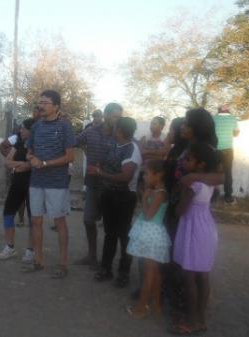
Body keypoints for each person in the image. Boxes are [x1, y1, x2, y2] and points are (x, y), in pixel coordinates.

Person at [168, 142, 220, 335]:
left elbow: (181, 210)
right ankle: (201, 319)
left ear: (201, 165)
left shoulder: (192, 185)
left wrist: (180, 194)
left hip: (192, 230)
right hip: (206, 228)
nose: (184, 161)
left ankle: (191, 322)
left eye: (188, 159)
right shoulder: (209, 183)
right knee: (203, 276)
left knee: (189, 277)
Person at [22, 90, 75, 279]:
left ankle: (63, 263)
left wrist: (45, 163)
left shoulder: (65, 127)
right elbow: (28, 152)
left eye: (45, 102)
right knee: (35, 221)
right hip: (36, 182)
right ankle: (38, 260)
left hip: (56, 183)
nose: (40, 106)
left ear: (56, 106)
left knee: (59, 221)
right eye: (39, 102)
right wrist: (32, 158)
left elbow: (70, 156)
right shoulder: (36, 127)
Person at [87, 117, 141, 288]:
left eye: (115, 127)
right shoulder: (115, 145)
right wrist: (98, 167)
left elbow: (126, 177)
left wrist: (100, 173)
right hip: (109, 194)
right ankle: (106, 268)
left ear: (121, 131)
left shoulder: (132, 150)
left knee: (124, 235)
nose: (112, 129)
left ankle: (123, 273)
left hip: (124, 197)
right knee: (110, 234)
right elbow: (105, 162)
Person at [73, 103, 123, 267]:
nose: (118, 119)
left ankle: (108, 262)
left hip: (112, 186)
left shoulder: (121, 134)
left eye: (120, 116)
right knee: (88, 220)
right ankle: (92, 256)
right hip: (94, 184)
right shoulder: (91, 131)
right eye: (116, 116)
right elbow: (74, 141)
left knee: (111, 226)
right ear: (106, 115)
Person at [125, 159, 171, 318]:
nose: (144, 177)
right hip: (151, 233)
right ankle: (156, 304)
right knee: (155, 272)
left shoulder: (159, 194)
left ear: (158, 175)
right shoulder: (158, 191)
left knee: (149, 273)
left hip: (151, 234)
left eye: (146, 173)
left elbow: (149, 215)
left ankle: (141, 307)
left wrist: (144, 199)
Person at [0, 118, 36, 261]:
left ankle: (30, 250)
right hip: (17, 183)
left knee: (33, 218)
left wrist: (22, 165)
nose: (20, 131)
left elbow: (33, 165)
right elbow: (7, 162)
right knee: (8, 213)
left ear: (31, 131)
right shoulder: (19, 143)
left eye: (23, 128)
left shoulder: (38, 145)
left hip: (33, 184)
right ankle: (10, 247)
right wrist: (22, 164)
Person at [213, 105, 239, 204]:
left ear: (219, 110)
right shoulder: (233, 119)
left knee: (212, 171)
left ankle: (211, 195)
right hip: (228, 150)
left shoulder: (213, 118)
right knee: (228, 173)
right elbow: (236, 134)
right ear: (228, 110)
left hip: (215, 150)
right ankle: (228, 197)